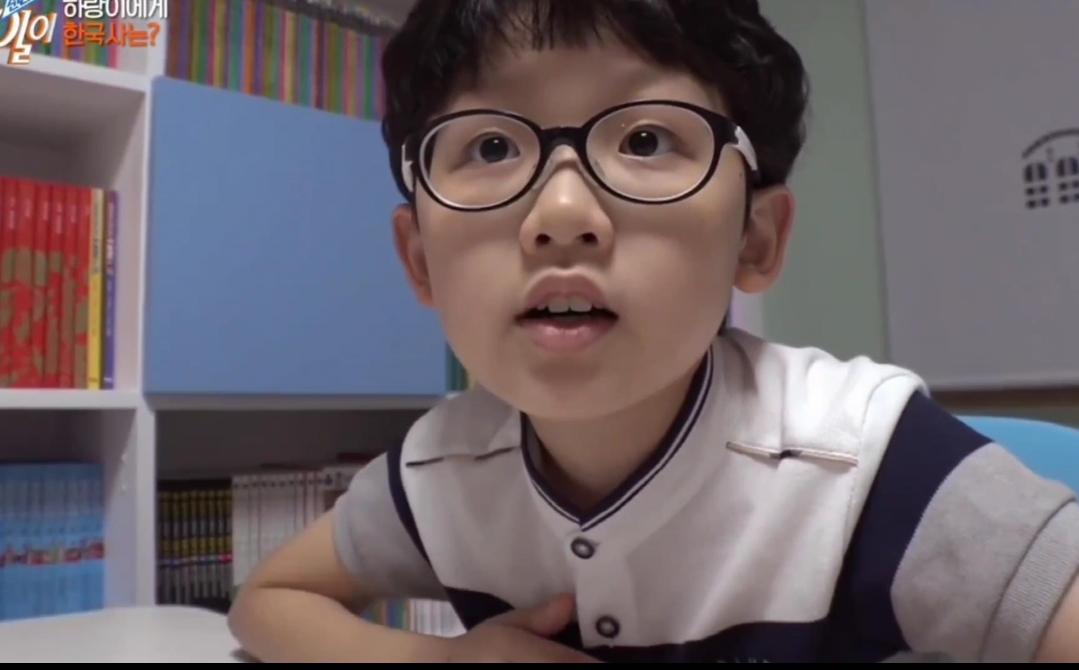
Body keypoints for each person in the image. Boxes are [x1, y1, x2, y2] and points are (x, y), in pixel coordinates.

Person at [226, 0, 1079, 662]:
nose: (561, 213)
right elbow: (267, 601)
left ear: (754, 239)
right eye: (489, 148)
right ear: (420, 260)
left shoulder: (863, 464)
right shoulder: (440, 470)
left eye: (643, 138)